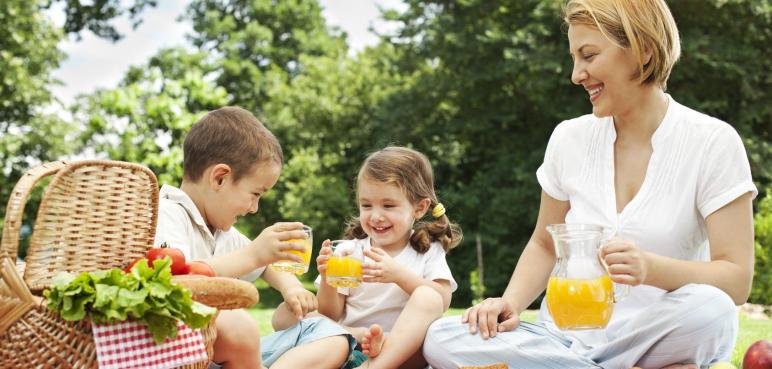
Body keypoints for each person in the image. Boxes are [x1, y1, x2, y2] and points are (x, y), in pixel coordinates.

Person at [423, 1, 757, 368]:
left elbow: (736, 280)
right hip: (563, 337)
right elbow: (544, 243)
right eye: (574, 58)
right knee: (441, 338)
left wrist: (650, 268)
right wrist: (510, 303)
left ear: (643, 50)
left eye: (588, 55)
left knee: (712, 310)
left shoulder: (711, 142)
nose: (576, 74)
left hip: (659, 331)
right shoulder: (569, 139)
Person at [154, 106, 353, 369]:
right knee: (238, 327)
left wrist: (291, 287)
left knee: (332, 336)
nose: (254, 208)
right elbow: (175, 282)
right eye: (256, 193)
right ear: (220, 178)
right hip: (185, 353)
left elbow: (266, 265)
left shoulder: (221, 231)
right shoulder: (166, 214)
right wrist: (253, 254)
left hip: (227, 356)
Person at [272, 146, 463, 369]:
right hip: (349, 346)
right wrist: (327, 278)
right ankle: (356, 339)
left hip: (402, 352)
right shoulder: (348, 251)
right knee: (284, 314)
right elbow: (330, 313)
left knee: (427, 297)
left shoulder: (428, 250)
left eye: (388, 205)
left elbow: (441, 301)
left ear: (419, 208)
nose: (376, 216)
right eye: (366, 205)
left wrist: (398, 275)